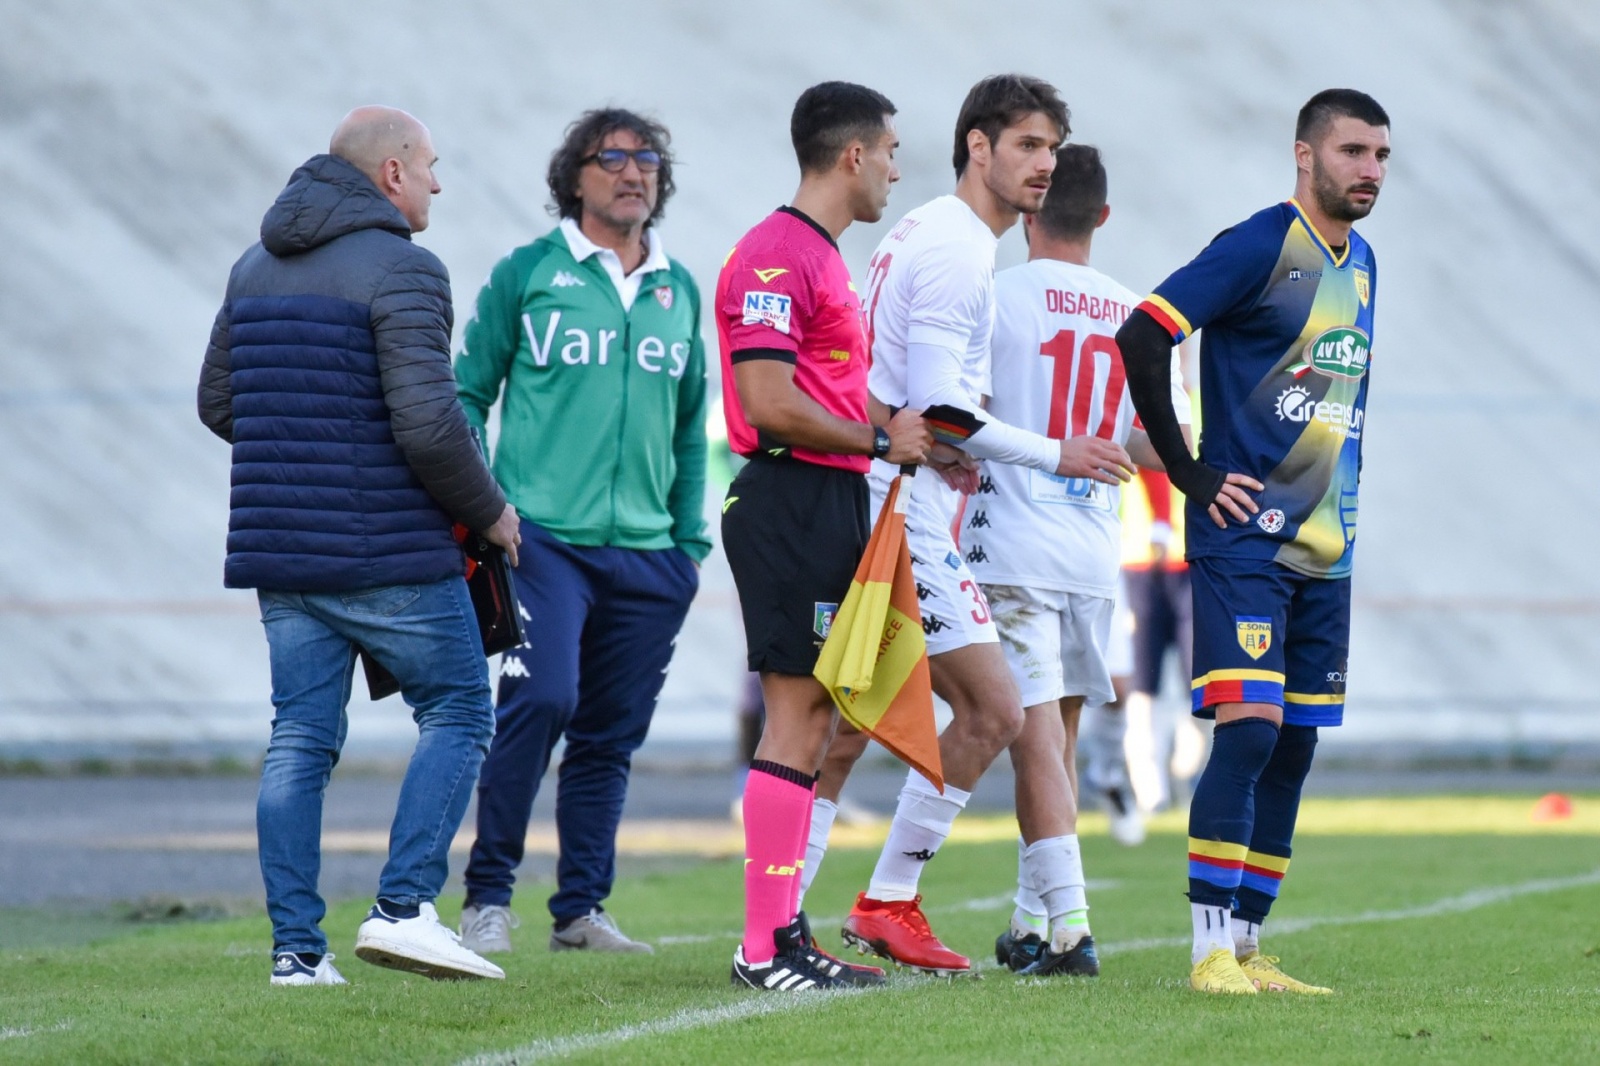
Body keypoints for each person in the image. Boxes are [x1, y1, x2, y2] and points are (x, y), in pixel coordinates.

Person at [798, 74, 1130, 978]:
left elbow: (901, 389)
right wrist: (1053, 452)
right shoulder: (959, 247)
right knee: (993, 709)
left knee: (844, 724)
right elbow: (945, 408)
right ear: (977, 147)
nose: (1042, 163)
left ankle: (794, 917)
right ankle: (883, 900)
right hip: (904, 513)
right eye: (1026, 144)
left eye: (1050, 148)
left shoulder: (931, 235)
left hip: (891, 496)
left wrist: (927, 433)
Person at [197, 106, 521, 986]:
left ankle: (297, 955)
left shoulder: (251, 268)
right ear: (390, 175)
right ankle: (405, 908)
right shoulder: (406, 271)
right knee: (459, 708)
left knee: (299, 738)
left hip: (281, 556)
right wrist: (490, 512)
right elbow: (427, 422)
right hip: (387, 550)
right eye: (430, 167)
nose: (438, 184)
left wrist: (306, 455)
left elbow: (221, 406)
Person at [1116, 88, 1390, 995]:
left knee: (1297, 744)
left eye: (1381, 156)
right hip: (1244, 543)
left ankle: (1245, 948)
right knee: (1249, 730)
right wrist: (1192, 474)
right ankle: (1203, 956)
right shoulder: (1260, 245)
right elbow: (1144, 332)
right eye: (1353, 152)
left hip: (1328, 552)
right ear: (1305, 156)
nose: (1370, 171)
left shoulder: (1367, 265)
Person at [453, 108, 708, 956]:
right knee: (544, 698)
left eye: (647, 161)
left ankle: (580, 911)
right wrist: (487, 507)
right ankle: (487, 897)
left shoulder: (679, 290)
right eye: (612, 159)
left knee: (609, 732)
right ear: (575, 178)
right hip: (543, 542)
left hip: (648, 555)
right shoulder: (529, 273)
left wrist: (687, 547)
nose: (633, 173)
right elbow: (464, 395)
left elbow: (688, 425)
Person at [717, 81, 931, 992]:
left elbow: (826, 390)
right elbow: (768, 403)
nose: (893, 168)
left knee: (818, 715)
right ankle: (763, 948)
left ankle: (782, 932)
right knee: (797, 712)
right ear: (852, 155)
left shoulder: (819, 255)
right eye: (888, 151)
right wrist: (881, 439)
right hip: (793, 496)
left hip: (830, 496)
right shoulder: (775, 256)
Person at [964, 144, 1190, 976]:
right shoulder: (1137, 315)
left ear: (1029, 212)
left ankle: (1071, 928)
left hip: (1011, 541)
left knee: (1027, 740)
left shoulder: (998, 296)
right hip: (1094, 548)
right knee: (1051, 738)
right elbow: (1159, 446)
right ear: (1103, 217)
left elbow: (965, 416)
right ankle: (1030, 922)